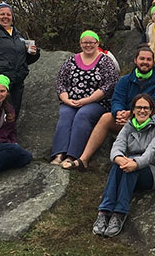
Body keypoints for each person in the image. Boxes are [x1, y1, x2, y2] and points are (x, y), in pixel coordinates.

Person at [62, 46, 155, 171]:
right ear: (135, 60)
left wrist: (131, 114)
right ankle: (83, 160)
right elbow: (117, 100)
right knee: (106, 118)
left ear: (153, 62)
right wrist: (118, 113)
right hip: (124, 120)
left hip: (148, 125)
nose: (145, 62)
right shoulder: (124, 80)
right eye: (142, 58)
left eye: (149, 59)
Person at [93, 93, 155, 238]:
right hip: (129, 166)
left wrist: (135, 163)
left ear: (151, 111)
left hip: (152, 172)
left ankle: (119, 213)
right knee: (118, 166)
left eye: (146, 108)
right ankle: (105, 211)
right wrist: (119, 158)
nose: (142, 111)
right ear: (132, 110)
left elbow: (151, 154)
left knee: (129, 168)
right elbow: (117, 146)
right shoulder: (128, 127)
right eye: (139, 107)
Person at [51, 30, 119, 166]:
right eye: (85, 42)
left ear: (97, 43)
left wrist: (87, 100)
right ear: (80, 43)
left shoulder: (105, 61)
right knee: (65, 114)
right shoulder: (71, 60)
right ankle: (59, 154)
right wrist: (66, 100)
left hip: (96, 102)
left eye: (91, 42)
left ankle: (72, 155)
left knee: (83, 115)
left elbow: (110, 85)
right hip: (71, 101)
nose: (88, 45)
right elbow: (60, 82)